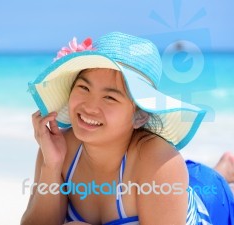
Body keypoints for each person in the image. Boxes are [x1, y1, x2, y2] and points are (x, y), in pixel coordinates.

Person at [21, 32, 234, 225]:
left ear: (139, 116)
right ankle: (223, 168)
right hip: (168, 189)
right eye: (84, 87)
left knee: (206, 186)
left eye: (109, 97)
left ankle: (221, 174)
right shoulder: (59, 149)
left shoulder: (158, 161)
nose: (89, 107)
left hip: (207, 203)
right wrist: (51, 166)